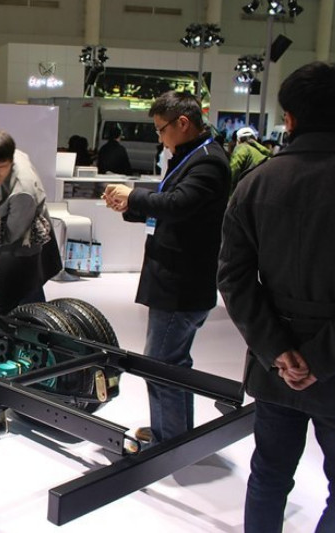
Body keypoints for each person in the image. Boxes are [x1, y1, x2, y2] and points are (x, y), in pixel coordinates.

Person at [218, 61, 335, 533]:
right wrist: (319, 359)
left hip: (276, 367)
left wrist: (277, 351)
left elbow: (234, 278)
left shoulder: (256, 183)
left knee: (268, 476)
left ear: (289, 118)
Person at [101, 91, 230, 444]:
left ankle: (169, 440)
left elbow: (178, 204)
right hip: (175, 279)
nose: (160, 137)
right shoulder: (192, 156)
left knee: (160, 365)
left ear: (182, 123)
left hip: (182, 284)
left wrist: (132, 196)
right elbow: (171, 207)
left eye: (161, 129)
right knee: (171, 364)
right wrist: (129, 206)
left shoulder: (208, 161)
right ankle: (172, 433)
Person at [0, 130, 62, 314]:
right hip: (17, 248)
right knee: (30, 301)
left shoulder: (22, 191)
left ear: (10, 160)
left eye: (1, 166)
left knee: (3, 307)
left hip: (23, 248)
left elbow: (9, 234)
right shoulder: (7, 156)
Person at [228, 126, 272, 195]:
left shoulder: (242, 148)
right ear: (255, 140)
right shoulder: (266, 154)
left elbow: (233, 173)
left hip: (246, 193)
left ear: (238, 140)